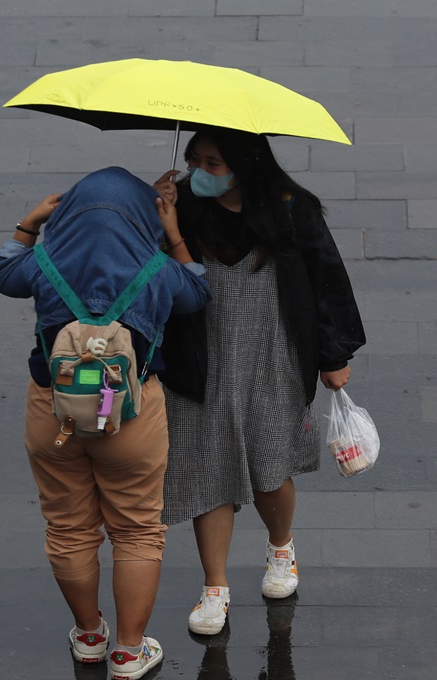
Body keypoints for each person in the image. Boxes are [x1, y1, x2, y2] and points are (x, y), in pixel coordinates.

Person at [0, 166, 212, 680]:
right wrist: (173, 232)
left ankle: (90, 636)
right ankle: (129, 654)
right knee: (137, 531)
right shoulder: (155, 269)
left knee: (68, 529)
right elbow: (199, 295)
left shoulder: (45, 263)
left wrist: (30, 222)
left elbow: (3, 275)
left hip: (55, 414)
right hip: (130, 418)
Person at [153, 125, 365, 636]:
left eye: (214, 163)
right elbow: (160, 277)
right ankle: (215, 587)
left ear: (247, 165)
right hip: (200, 356)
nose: (201, 172)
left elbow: (326, 279)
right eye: (196, 160)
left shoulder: (292, 207)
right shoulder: (179, 204)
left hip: (273, 354)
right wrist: (160, 219)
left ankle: (280, 547)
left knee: (271, 464)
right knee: (208, 468)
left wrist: (333, 355)